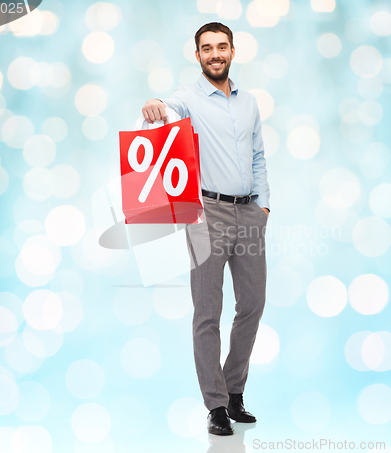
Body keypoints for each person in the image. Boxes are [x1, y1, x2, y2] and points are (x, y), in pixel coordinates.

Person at [142, 22, 270, 436]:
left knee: (252, 305)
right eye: (206, 48)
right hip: (206, 213)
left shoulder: (249, 102)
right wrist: (155, 105)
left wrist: (264, 205)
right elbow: (169, 109)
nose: (215, 54)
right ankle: (215, 405)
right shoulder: (189, 98)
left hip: (249, 213)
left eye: (221, 46)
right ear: (197, 55)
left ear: (233, 50)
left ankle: (235, 393)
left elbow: (258, 155)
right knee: (207, 313)